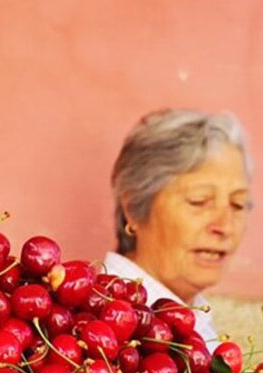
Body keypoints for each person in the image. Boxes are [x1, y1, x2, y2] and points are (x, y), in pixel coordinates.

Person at [105, 109, 253, 350]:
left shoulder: (199, 324)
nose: (224, 226)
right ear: (133, 207)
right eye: (199, 201)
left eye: (238, 204)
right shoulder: (106, 325)